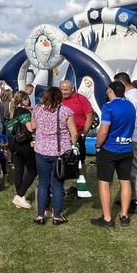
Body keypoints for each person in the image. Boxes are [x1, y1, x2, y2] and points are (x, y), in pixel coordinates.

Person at [27, 87, 77, 225]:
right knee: (57, 184)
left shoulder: (37, 109)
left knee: (43, 183)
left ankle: (40, 216)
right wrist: (73, 145)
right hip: (60, 152)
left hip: (41, 150)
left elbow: (33, 126)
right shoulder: (65, 111)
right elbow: (74, 132)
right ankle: (57, 216)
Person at [90, 81, 135, 230]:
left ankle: (107, 218)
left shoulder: (108, 107)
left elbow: (103, 131)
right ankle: (124, 215)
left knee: (104, 182)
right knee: (125, 181)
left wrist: (97, 145)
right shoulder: (130, 105)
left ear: (111, 91)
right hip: (127, 148)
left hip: (110, 149)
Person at [114, 73, 137, 214]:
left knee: (135, 169)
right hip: (136, 134)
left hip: (133, 135)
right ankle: (130, 197)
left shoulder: (131, 97)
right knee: (127, 168)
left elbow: (127, 116)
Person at [60, 80, 94, 197]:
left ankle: (78, 186)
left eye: (66, 90)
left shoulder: (81, 99)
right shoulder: (58, 99)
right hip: (63, 136)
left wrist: (84, 133)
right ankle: (60, 185)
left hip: (78, 135)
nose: (63, 92)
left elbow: (90, 116)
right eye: (62, 89)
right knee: (61, 160)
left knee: (80, 161)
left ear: (72, 89)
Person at [5, 91, 36, 209]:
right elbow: (30, 127)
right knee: (33, 170)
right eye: (27, 98)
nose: (29, 100)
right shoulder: (24, 111)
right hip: (24, 144)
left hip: (13, 145)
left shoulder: (11, 112)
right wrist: (32, 114)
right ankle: (20, 195)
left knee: (19, 171)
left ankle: (20, 199)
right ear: (23, 100)